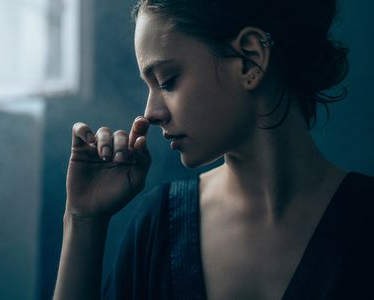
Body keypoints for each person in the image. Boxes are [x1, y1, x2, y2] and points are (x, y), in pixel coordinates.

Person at [54, 0, 374, 299]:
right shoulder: (159, 228)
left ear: (249, 60)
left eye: (167, 80)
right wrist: (83, 221)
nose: (150, 112)